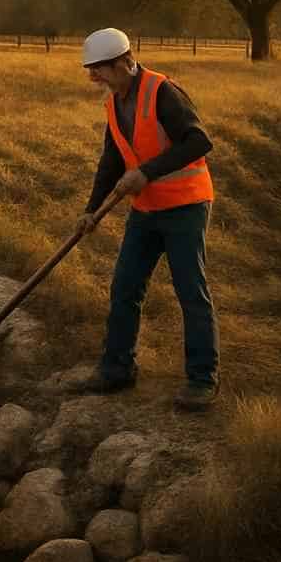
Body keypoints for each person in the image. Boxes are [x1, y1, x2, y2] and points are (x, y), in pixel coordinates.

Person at [71, 28, 219, 409]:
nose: (93, 77)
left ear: (124, 62)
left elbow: (199, 141)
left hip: (185, 207)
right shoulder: (113, 103)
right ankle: (117, 369)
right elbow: (112, 161)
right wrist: (91, 210)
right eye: (90, 70)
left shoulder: (162, 92)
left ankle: (202, 381)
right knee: (125, 288)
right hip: (146, 210)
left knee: (191, 292)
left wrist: (147, 172)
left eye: (99, 68)